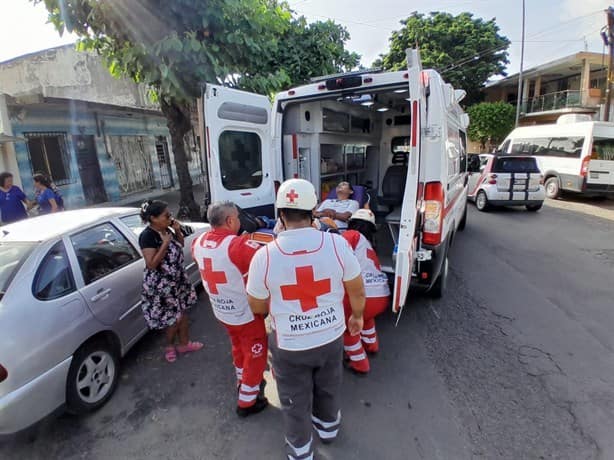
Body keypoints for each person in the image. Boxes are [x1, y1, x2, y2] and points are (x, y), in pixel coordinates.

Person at [247, 178, 366, 460]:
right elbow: (357, 288)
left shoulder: (264, 256)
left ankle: (300, 451)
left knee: (294, 399)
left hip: (289, 345)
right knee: (328, 386)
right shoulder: (336, 245)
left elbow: (257, 304)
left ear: (280, 215)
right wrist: (358, 317)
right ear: (314, 211)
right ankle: (328, 429)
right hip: (331, 338)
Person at [192, 201, 269, 417]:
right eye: (237, 216)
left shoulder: (198, 242)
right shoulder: (237, 246)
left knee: (237, 346)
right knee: (256, 354)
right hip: (245, 315)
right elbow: (268, 259)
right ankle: (247, 402)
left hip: (222, 311)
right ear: (230, 221)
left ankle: (240, 379)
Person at [139, 200, 203, 363]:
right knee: (174, 319)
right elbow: (151, 264)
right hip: (161, 286)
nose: (170, 218)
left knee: (183, 313)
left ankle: (184, 343)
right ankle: (169, 346)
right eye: (166, 215)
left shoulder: (167, 229)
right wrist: (165, 244)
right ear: (153, 218)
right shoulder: (147, 236)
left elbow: (180, 245)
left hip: (177, 281)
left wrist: (177, 231)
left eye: (170, 215)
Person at [341, 209, 391, 374]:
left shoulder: (352, 235)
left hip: (365, 296)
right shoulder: (369, 245)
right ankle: (372, 345)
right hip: (382, 295)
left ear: (352, 223)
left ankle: (359, 363)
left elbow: (338, 254)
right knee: (366, 318)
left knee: (350, 329)